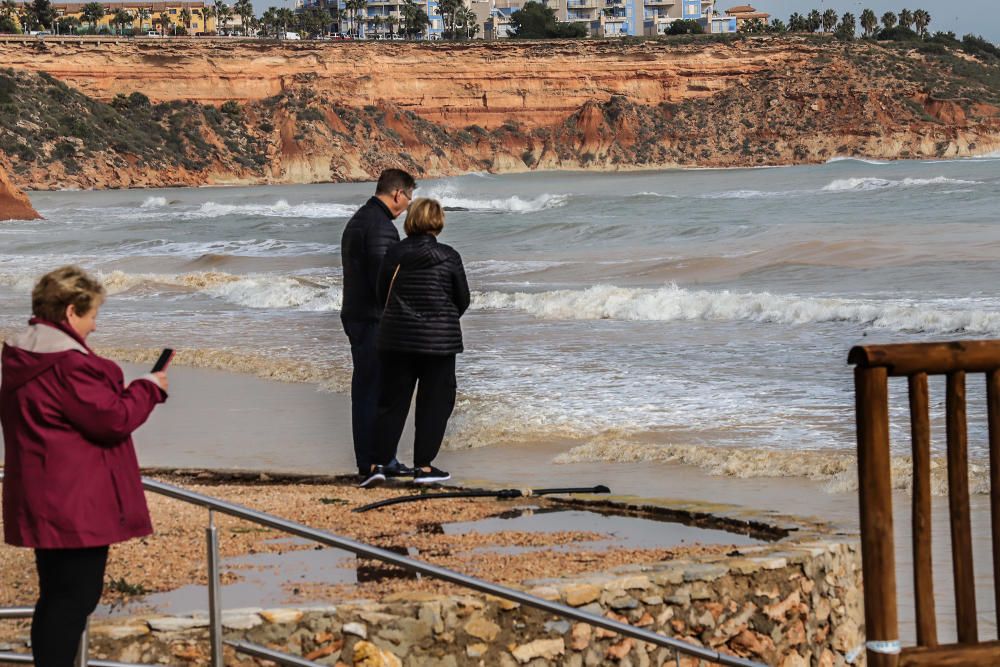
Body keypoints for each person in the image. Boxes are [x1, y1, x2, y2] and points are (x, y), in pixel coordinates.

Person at [1, 266, 168, 667]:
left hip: (40, 492)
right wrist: (148, 387)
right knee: (76, 597)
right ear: (72, 311)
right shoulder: (71, 365)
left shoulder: (20, 355)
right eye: (92, 315)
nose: (94, 326)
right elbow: (112, 420)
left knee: (56, 595)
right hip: (76, 500)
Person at [362, 198, 471, 487]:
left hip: (396, 339)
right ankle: (423, 468)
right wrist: (442, 319)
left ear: (411, 221)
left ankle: (377, 464)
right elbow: (463, 299)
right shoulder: (449, 256)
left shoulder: (394, 253)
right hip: (440, 342)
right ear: (438, 221)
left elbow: (381, 294)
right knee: (434, 404)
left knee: (391, 403)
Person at [340, 169, 418, 485]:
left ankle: (376, 459)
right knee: (376, 391)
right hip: (373, 319)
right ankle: (377, 461)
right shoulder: (381, 228)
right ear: (398, 193)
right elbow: (385, 280)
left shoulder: (361, 219)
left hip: (358, 314)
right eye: (409, 198)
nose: (409, 206)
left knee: (367, 389)